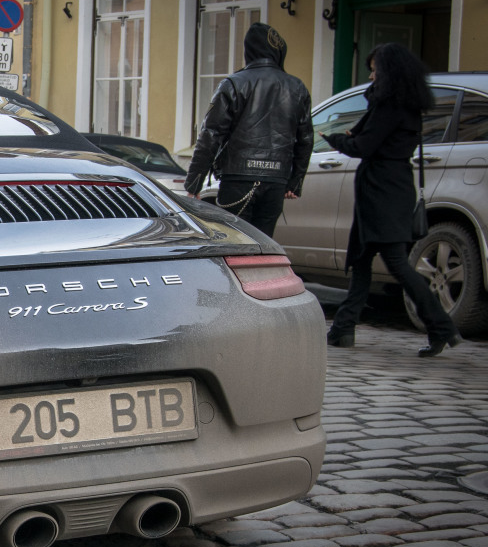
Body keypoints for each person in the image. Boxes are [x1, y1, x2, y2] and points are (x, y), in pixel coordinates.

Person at [321, 43, 460, 357]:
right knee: (361, 259)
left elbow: (364, 146)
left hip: (381, 192)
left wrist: (334, 138)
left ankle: (442, 326)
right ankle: (343, 329)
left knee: (397, 263)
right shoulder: (404, 105)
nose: (371, 76)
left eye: (375, 70)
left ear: (389, 72)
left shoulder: (390, 106)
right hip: (390, 189)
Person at [184, 22, 313, 237]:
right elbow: (306, 139)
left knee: (234, 242)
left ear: (248, 51)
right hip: (276, 180)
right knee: (262, 243)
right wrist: (295, 181)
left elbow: (211, 134)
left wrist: (195, 182)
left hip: (238, 177)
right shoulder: (297, 87)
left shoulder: (234, 83)